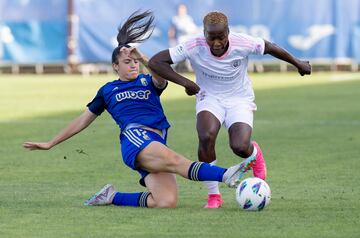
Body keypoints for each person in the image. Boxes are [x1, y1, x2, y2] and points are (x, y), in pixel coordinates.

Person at [23, 11, 255, 209]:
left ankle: (111, 197)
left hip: (156, 140)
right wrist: (51, 142)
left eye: (134, 61)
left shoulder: (148, 81)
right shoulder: (107, 90)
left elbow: (159, 71)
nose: (133, 64)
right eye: (127, 62)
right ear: (115, 66)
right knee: (176, 160)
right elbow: (83, 120)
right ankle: (226, 175)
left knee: (166, 201)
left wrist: (141, 55)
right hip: (135, 138)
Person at [149, 11, 312, 208]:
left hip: (239, 99)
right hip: (209, 97)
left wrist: (298, 63)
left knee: (240, 147)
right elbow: (155, 62)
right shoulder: (194, 44)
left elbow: (270, 47)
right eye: (211, 37)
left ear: (228, 32)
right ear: (204, 34)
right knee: (206, 136)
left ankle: (255, 153)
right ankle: (214, 195)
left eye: (221, 37)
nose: (216, 43)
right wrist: (185, 83)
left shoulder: (242, 42)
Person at [167, 4, 198, 72]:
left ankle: (191, 70)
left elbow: (194, 29)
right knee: (176, 56)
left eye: (183, 9)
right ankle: (170, 70)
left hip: (189, 40)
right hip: (180, 40)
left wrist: (194, 31)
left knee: (191, 56)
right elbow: (172, 30)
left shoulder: (188, 18)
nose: (181, 11)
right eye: (180, 9)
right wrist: (171, 39)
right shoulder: (175, 19)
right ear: (178, 10)